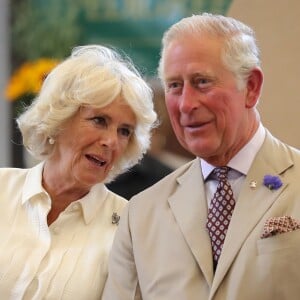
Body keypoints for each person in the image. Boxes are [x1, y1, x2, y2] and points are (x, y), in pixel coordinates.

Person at [102, 13, 300, 300]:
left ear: (251, 87)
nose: (186, 104)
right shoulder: (141, 215)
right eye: (174, 86)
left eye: (202, 82)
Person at [0, 45, 157, 299]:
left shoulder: (130, 227)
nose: (112, 142)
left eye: (124, 131)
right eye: (100, 121)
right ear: (60, 119)